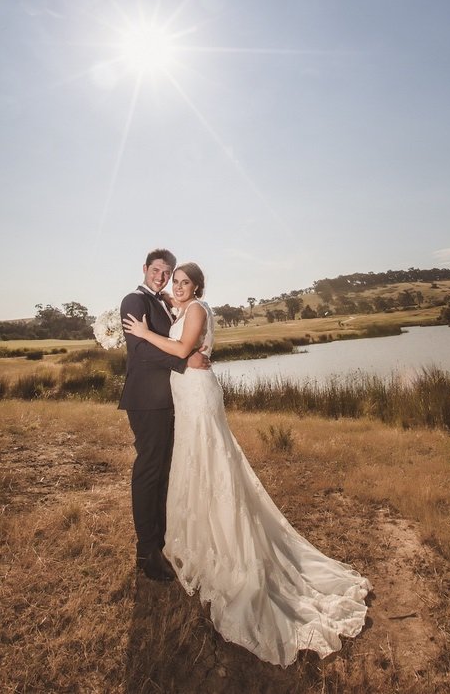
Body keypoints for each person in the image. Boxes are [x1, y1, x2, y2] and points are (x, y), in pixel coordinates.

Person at [122, 262, 370, 667]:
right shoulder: (175, 304)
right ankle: (193, 536)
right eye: (175, 281)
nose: (178, 286)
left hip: (197, 394)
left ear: (197, 286)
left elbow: (184, 351)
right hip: (183, 394)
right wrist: (157, 302)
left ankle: (228, 548)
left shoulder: (197, 309)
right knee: (191, 463)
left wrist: (146, 333)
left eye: (185, 281)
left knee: (211, 461)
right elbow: (164, 305)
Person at [119, 249, 209, 582]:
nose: (161, 276)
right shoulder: (134, 301)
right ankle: (146, 552)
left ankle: (162, 543)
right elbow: (140, 349)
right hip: (146, 400)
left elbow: (183, 331)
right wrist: (184, 362)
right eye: (156, 270)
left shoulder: (164, 303)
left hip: (169, 399)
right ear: (145, 269)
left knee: (164, 473)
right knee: (149, 471)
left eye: (166, 272)